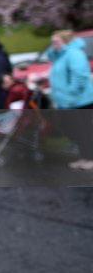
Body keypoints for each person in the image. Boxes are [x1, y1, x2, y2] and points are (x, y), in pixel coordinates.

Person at [46, 30, 93, 170]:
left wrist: (70, 93)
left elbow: (80, 76)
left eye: (56, 41)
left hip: (80, 101)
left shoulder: (74, 54)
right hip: (66, 102)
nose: (53, 44)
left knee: (84, 130)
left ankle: (90, 158)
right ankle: (84, 156)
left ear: (66, 41)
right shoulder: (59, 56)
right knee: (74, 130)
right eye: (52, 41)